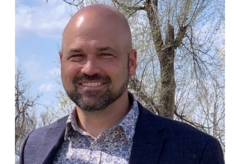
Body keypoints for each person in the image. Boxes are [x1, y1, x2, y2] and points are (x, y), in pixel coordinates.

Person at [19, 4, 225, 164]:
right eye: (77, 55)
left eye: (105, 54)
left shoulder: (196, 151)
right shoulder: (34, 147)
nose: (89, 68)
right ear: (61, 62)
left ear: (131, 63)